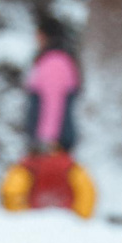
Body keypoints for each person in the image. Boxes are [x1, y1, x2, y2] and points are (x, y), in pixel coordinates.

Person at [25, 17, 81, 155]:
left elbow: (53, 103)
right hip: (53, 142)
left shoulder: (55, 61)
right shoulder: (55, 59)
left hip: (53, 145)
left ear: (46, 36)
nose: (36, 39)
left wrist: (47, 140)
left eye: (38, 34)